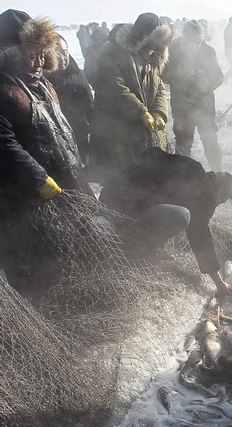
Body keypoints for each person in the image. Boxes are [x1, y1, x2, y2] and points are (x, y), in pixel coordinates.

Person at [0, 9, 91, 287]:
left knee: (67, 251)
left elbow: (60, 132)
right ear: (12, 54)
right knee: (33, 261)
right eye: (32, 54)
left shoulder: (45, 85)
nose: (40, 61)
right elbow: (5, 144)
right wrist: (39, 178)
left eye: (43, 53)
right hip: (23, 196)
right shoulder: (4, 90)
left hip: (62, 184)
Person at [99, 147, 232, 295]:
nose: (217, 205)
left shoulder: (194, 168)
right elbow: (201, 238)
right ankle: (137, 250)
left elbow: (152, 153)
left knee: (177, 213)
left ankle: (139, 241)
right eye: (221, 201)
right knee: (182, 216)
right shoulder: (202, 194)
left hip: (110, 194)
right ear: (220, 191)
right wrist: (220, 284)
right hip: (123, 205)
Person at [91, 13, 172, 178]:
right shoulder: (112, 51)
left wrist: (159, 112)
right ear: (141, 37)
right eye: (150, 44)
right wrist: (141, 111)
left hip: (141, 131)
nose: (153, 49)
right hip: (116, 128)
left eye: (157, 46)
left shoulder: (155, 55)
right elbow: (114, 87)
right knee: (120, 177)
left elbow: (159, 87)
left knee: (145, 176)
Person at [162, 20, 223, 171]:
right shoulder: (173, 50)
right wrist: (180, 75)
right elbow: (163, 75)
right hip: (182, 106)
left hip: (204, 105)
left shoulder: (208, 51)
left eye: (198, 41)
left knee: (210, 140)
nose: (195, 45)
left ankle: (218, 172)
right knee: (183, 142)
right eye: (191, 41)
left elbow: (219, 77)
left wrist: (208, 83)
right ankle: (181, 178)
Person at [46, 35, 93, 162]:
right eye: (56, 54)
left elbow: (90, 107)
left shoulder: (78, 74)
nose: (62, 58)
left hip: (79, 133)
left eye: (64, 52)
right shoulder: (44, 79)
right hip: (54, 139)